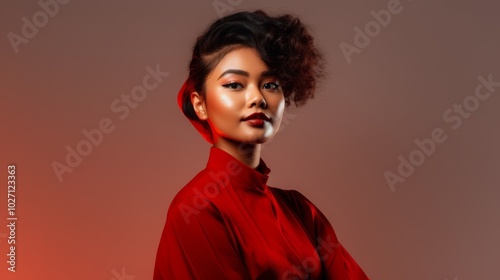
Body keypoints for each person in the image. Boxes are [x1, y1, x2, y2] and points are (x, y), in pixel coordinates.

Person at [153, 10, 369, 280]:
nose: (257, 98)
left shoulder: (301, 211)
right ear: (200, 104)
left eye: (269, 84)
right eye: (234, 84)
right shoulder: (196, 210)